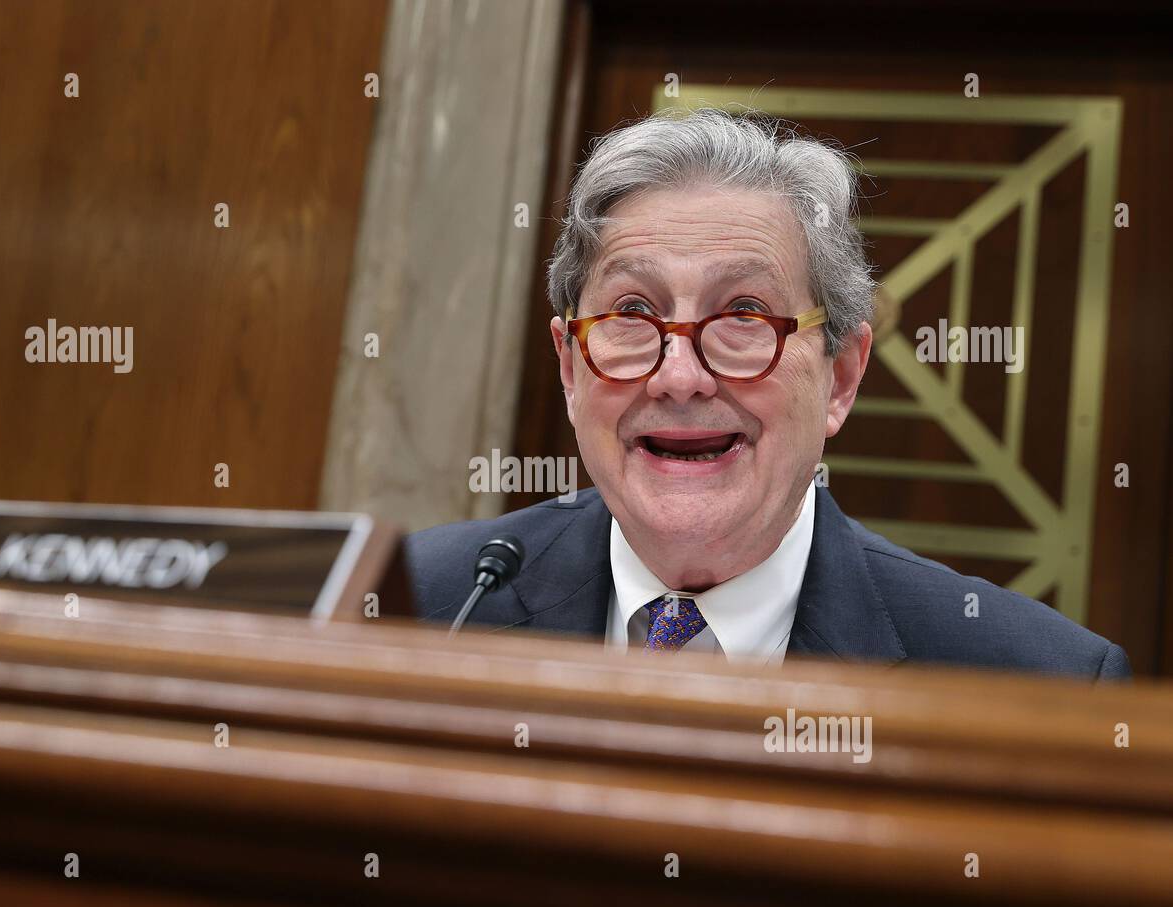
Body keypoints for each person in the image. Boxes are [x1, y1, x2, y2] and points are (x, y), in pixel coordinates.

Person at [407, 108, 1130, 679]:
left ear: (841, 377)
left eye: (744, 315)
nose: (679, 376)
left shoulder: (1035, 679)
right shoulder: (419, 605)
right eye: (632, 313)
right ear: (570, 367)